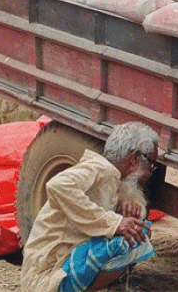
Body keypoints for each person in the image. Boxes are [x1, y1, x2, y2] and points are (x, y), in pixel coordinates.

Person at [21, 122, 159, 292]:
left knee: (137, 232)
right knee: (135, 240)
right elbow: (58, 184)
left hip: (62, 263)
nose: (150, 171)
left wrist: (127, 207)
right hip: (47, 276)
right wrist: (114, 223)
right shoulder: (99, 169)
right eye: (151, 164)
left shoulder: (115, 179)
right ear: (135, 158)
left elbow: (132, 209)